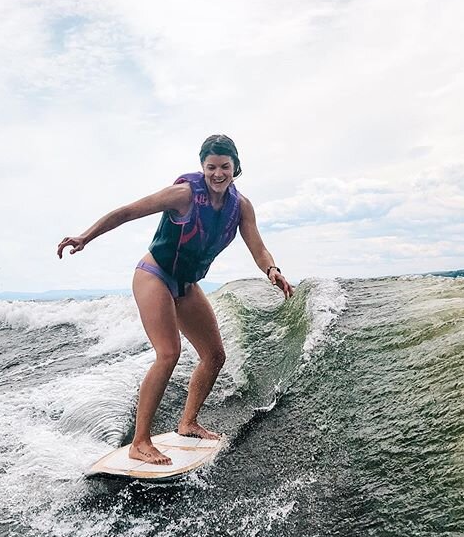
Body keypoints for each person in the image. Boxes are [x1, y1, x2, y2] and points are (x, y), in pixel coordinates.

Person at [57, 135, 294, 465]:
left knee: (214, 355)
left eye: (225, 166)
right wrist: (86, 236)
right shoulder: (183, 194)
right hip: (154, 275)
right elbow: (128, 212)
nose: (217, 173)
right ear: (202, 167)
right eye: (211, 167)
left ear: (236, 167)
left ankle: (188, 423)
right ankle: (140, 441)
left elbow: (257, 245)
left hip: (187, 284)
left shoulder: (240, 207)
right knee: (168, 353)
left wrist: (271, 269)